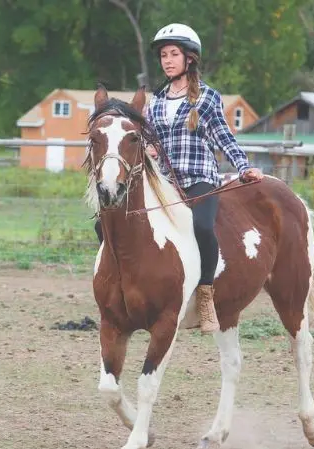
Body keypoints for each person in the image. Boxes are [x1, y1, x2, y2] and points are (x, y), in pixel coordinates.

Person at [94, 22, 264, 335]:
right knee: (104, 223)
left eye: (174, 54)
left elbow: (224, 138)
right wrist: (149, 150)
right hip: (165, 182)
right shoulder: (155, 102)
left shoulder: (208, 98)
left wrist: (243, 167)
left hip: (199, 180)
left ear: (190, 59)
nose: (168, 60)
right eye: (163, 55)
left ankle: (205, 297)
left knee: (201, 227)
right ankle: (122, 283)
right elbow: (147, 142)